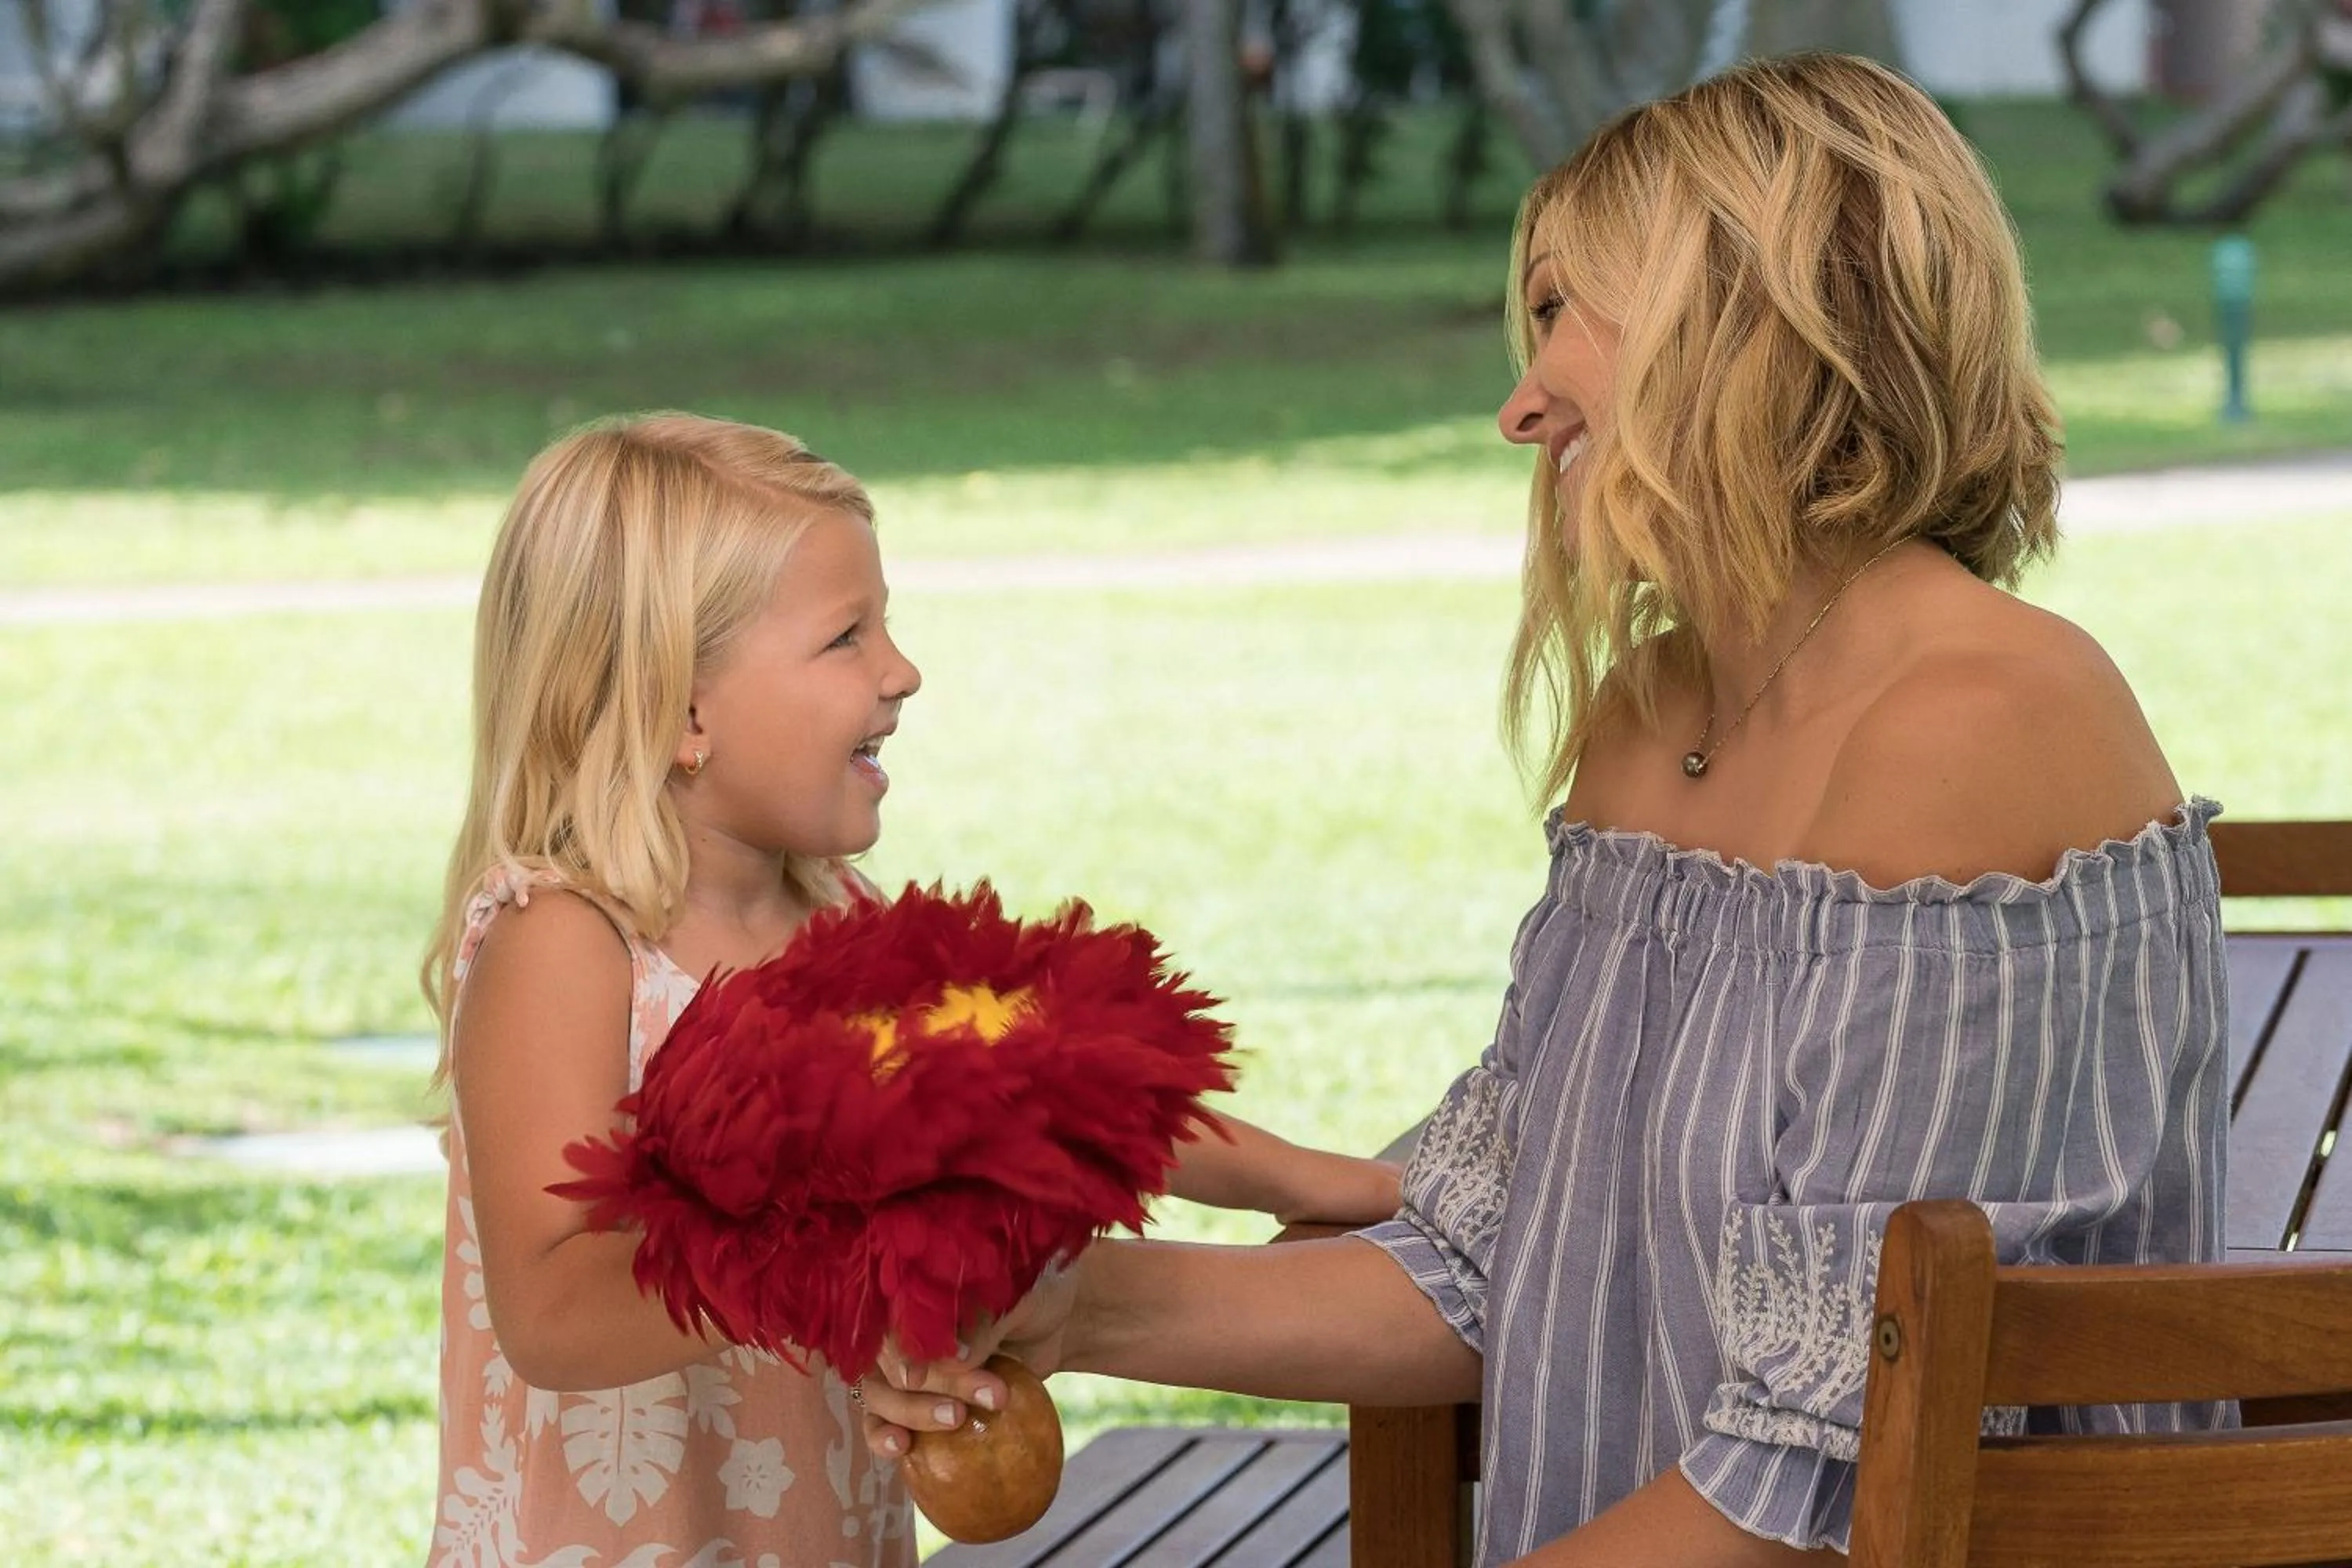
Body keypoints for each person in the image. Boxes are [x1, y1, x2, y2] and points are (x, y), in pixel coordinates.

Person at [858, 53, 2230, 1566]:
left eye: (1564, 316)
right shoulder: (1655, 716)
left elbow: (1830, 1460)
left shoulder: (1981, 723)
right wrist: (1071, 1304)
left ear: (1747, 326)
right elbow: (1502, 1256)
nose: (1521, 406)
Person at [418, 413, 1400, 1568]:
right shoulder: (565, 940)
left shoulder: (845, 925)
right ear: (683, 711)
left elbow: (1056, 1101)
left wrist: (1324, 1183)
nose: (903, 671)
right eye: (847, 639)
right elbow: (551, 1310)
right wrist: (847, 1273)